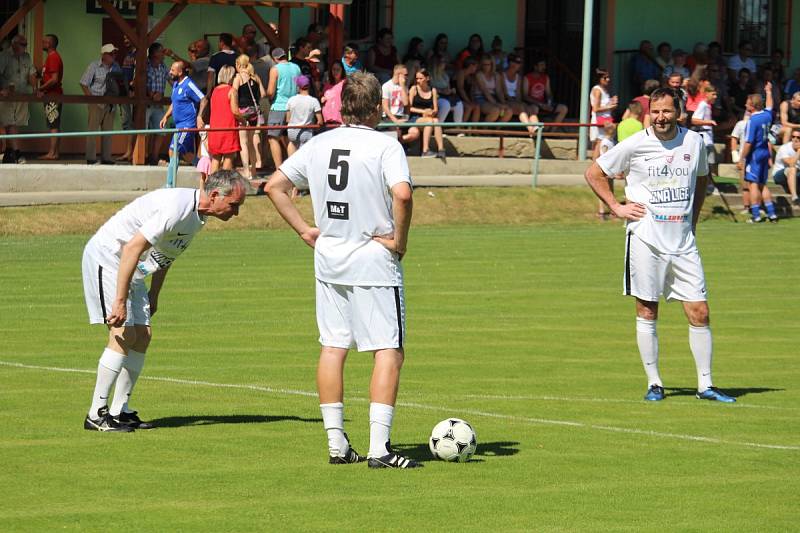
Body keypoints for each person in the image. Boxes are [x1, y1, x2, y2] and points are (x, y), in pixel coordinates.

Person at [264, 71, 419, 468]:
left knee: (333, 346)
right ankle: (380, 449)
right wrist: (399, 241)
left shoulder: (321, 143)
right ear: (377, 107)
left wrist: (303, 229)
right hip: (373, 260)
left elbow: (274, 186)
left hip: (330, 257)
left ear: (341, 105)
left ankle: (337, 444)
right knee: (388, 349)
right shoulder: (385, 145)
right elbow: (402, 193)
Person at [584, 87, 736, 404]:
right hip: (645, 239)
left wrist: (692, 220)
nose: (660, 118)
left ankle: (705, 385)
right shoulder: (637, 143)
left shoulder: (694, 142)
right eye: (655, 112)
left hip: (683, 242)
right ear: (649, 112)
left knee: (700, 311)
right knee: (647, 309)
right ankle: (655, 383)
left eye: (666, 111)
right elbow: (595, 172)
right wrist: (616, 207)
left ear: (678, 112)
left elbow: (701, 178)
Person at [81, 170, 247, 432]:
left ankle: (119, 411)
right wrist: (120, 300)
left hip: (131, 267)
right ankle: (96, 414)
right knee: (122, 334)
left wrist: (154, 295)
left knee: (143, 335)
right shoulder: (177, 208)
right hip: (109, 258)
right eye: (234, 205)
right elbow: (132, 247)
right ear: (215, 195)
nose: (235, 213)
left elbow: (165, 256)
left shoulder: (198, 218)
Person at [738, 91, 778, 223]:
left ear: (752, 106)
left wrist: (742, 158)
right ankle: (772, 214)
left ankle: (756, 215)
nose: (745, 105)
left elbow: (749, 142)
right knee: (763, 184)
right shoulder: (767, 115)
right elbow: (770, 105)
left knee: (753, 185)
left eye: (747, 103)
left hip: (754, 155)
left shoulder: (752, 120)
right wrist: (768, 92)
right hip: (764, 153)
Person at [79, 43, 119, 165]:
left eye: (115, 53)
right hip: (96, 102)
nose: (114, 55)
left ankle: (106, 157)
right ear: (104, 55)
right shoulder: (94, 66)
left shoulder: (116, 67)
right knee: (92, 131)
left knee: (108, 131)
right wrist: (91, 99)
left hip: (111, 104)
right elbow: (83, 83)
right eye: (111, 53)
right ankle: (91, 158)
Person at [0, 34, 36, 164]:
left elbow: (32, 73)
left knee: (16, 123)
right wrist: (1, 90)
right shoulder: (4, 56)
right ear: (14, 44)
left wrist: (36, 89)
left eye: (26, 45)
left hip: (22, 94)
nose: (25, 47)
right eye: (23, 45)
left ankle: (11, 153)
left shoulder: (26, 56)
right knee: (9, 123)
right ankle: (15, 152)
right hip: (6, 96)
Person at [159, 60, 204, 165]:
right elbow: (174, 103)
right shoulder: (175, 84)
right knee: (187, 155)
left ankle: (170, 181)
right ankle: (205, 170)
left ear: (180, 72)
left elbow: (203, 99)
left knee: (173, 150)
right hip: (179, 125)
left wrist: (200, 116)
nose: (170, 72)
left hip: (187, 126)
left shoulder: (188, 84)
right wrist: (166, 116)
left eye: (172, 70)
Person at [232, 54, 267, 178]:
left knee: (243, 143)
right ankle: (254, 171)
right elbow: (263, 94)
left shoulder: (238, 78)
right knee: (252, 142)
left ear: (238, 64)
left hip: (243, 111)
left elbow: (234, 92)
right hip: (254, 111)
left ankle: (246, 171)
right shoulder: (255, 77)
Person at [266, 47, 301, 169]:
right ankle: (293, 167)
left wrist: (267, 97)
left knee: (273, 137)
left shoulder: (275, 69)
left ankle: (279, 169)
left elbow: (270, 91)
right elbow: (299, 87)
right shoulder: (296, 68)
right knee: (289, 138)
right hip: (293, 107)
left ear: (275, 58)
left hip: (279, 106)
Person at [205, 65, 242, 173]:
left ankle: (212, 186)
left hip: (215, 129)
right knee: (229, 157)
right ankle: (223, 186)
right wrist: (244, 120)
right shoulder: (232, 91)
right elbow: (235, 111)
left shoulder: (214, 91)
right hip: (228, 129)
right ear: (230, 76)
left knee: (215, 159)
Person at [408, 68, 445, 158]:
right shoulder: (414, 89)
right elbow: (409, 108)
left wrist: (432, 112)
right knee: (429, 121)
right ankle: (425, 150)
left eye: (421, 78)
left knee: (436, 120)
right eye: (417, 78)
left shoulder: (433, 90)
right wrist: (423, 111)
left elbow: (436, 109)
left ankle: (441, 149)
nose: (418, 81)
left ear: (427, 78)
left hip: (428, 117)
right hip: (415, 118)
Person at [36, 33, 62, 160]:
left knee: (53, 125)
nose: (42, 43)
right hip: (51, 95)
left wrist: (40, 88)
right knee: (54, 123)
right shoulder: (50, 58)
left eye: (44, 41)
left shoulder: (53, 57)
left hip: (53, 95)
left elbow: (54, 80)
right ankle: (55, 153)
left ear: (50, 43)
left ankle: (52, 153)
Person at [381, 64, 419, 147]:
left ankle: (399, 143)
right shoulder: (386, 86)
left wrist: (402, 86)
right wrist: (395, 120)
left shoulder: (404, 87)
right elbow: (385, 107)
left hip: (401, 116)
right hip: (390, 117)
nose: (407, 77)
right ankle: (398, 145)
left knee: (415, 132)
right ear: (399, 74)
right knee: (396, 131)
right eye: (405, 75)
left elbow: (406, 104)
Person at [501, 53, 539, 135]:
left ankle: (536, 127)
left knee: (531, 108)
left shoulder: (518, 77)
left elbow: (518, 93)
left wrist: (518, 102)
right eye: (514, 62)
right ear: (509, 62)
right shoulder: (502, 75)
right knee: (521, 107)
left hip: (515, 100)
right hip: (505, 100)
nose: (516, 64)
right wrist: (516, 102)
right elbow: (504, 92)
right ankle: (530, 129)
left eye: (518, 63)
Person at [523, 58, 568, 126]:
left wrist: (549, 103)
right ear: (535, 67)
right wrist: (540, 104)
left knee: (563, 108)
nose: (544, 67)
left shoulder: (545, 77)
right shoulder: (527, 77)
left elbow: (549, 93)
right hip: (532, 103)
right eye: (541, 65)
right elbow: (525, 96)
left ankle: (551, 133)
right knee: (534, 109)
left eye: (544, 65)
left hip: (544, 103)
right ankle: (535, 130)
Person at [145, 43, 169, 165]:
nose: (163, 53)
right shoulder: (145, 66)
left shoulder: (163, 66)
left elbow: (171, 79)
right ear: (154, 53)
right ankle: (142, 156)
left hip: (159, 105)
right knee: (143, 132)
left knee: (160, 130)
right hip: (146, 104)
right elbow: (140, 82)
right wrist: (151, 94)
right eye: (161, 51)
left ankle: (154, 157)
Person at [286, 75, 322, 155]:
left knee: (292, 147)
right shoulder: (314, 101)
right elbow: (320, 121)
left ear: (298, 87)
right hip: (306, 131)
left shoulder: (291, 100)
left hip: (292, 131)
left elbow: (287, 119)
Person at [691, 85, 719, 190]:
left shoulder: (708, 106)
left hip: (709, 138)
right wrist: (709, 122)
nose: (715, 97)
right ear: (706, 94)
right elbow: (694, 120)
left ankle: (709, 184)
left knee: (710, 164)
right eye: (713, 94)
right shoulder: (702, 105)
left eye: (716, 94)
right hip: (705, 139)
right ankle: (707, 185)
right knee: (706, 164)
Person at [473, 54, 512, 123]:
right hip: (480, 98)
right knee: (495, 110)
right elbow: (484, 91)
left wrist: (503, 102)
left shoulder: (496, 75)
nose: (486, 67)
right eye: (484, 64)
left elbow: (499, 91)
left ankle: (497, 130)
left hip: (493, 98)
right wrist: (496, 104)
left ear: (492, 65)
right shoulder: (479, 75)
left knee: (509, 111)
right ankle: (484, 130)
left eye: (488, 64)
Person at [589, 69, 618, 158]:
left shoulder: (604, 90)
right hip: (600, 120)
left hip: (605, 120)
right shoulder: (597, 90)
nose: (608, 79)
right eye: (605, 78)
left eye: (608, 77)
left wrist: (611, 102)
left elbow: (604, 106)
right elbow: (595, 108)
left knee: (603, 144)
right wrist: (610, 106)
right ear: (599, 79)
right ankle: (594, 167)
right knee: (599, 143)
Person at [428, 53, 463, 123]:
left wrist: (451, 90)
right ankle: (438, 127)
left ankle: (458, 128)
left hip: (446, 96)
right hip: (435, 97)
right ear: (437, 63)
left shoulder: (444, 75)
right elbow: (428, 89)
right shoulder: (429, 74)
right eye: (442, 62)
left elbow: (448, 87)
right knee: (446, 104)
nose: (444, 63)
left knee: (459, 104)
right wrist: (441, 91)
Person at [771, 130, 800, 205]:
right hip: (780, 175)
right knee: (792, 169)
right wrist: (799, 151)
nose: (795, 139)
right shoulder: (785, 148)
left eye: (798, 137)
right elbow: (791, 164)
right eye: (793, 137)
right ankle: (794, 196)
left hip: (796, 175)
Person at [455, 57, 481, 123]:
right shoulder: (461, 72)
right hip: (456, 98)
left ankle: (474, 130)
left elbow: (471, 91)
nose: (476, 68)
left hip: (465, 99)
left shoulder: (471, 76)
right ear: (471, 65)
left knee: (477, 106)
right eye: (475, 66)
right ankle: (461, 128)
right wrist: (468, 101)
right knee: (469, 107)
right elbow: (460, 89)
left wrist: (472, 100)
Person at [321, 60, 345, 125]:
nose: (335, 72)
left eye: (338, 69)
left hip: (339, 120)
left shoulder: (345, 83)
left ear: (342, 70)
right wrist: (322, 98)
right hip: (327, 119)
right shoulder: (327, 85)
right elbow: (323, 97)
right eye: (334, 69)